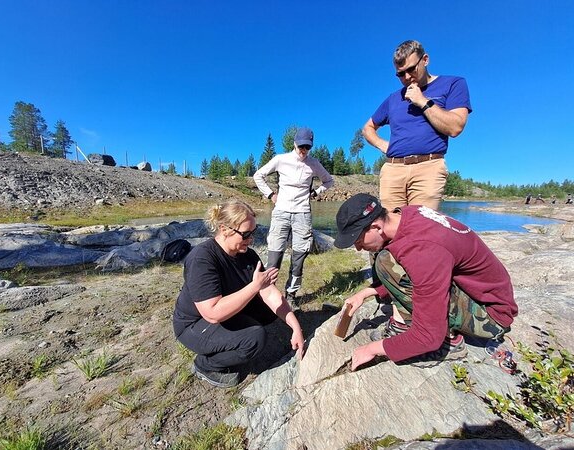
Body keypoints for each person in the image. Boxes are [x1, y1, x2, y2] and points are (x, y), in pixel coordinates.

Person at [333, 193, 518, 370]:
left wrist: (371, 349)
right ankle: (408, 325)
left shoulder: (423, 249)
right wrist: (367, 293)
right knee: (384, 259)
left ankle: (450, 343)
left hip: (491, 316)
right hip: (477, 293)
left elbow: (429, 336)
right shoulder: (406, 214)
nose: (357, 248)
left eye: (356, 239)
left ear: (376, 227)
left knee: (383, 260)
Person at [172, 199, 305, 388]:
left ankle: (234, 336)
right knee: (255, 338)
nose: (251, 239)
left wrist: (295, 327)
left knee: (267, 310)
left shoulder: (247, 255)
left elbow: (270, 294)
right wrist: (254, 287)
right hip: (194, 325)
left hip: (222, 313)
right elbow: (212, 313)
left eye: (253, 232)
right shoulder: (202, 259)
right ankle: (205, 365)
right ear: (224, 229)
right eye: (246, 234)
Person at [362, 40, 472, 212]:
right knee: (390, 232)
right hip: (393, 170)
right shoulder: (393, 98)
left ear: (425, 60)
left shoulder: (453, 84)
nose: (406, 77)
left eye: (411, 69)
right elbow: (368, 128)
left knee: (421, 229)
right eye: (400, 74)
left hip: (428, 167)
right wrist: (384, 146)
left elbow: (455, 127)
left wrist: (422, 101)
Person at [253, 127, 334, 307]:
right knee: (274, 255)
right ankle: (269, 295)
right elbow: (258, 176)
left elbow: (329, 181)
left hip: (303, 214)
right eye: (301, 146)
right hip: (281, 212)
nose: (303, 150)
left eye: (307, 147)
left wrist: (315, 192)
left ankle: (291, 295)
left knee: (299, 257)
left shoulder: (313, 163)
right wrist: (270, 195)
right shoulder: (280, 159)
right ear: (294, 143)